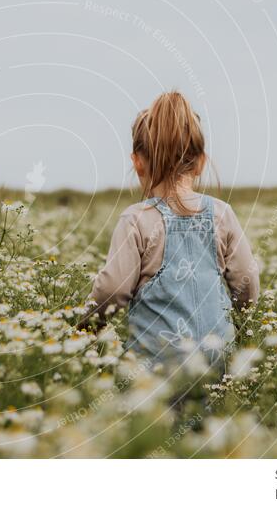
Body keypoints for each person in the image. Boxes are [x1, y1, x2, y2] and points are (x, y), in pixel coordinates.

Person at [87, 91, 259, 368]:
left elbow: (112, 289)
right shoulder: (221, 213)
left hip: (157, 368)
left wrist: (87, 325)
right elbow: (246, 282)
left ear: (137, 162)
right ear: (201, 161)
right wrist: (243, 323)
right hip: (217, 363)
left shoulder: (136, 219)